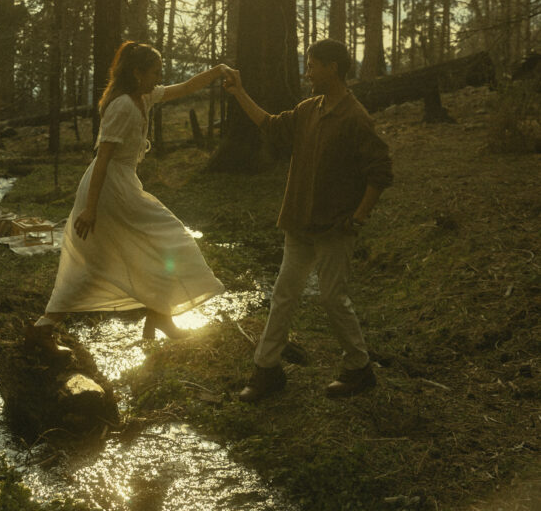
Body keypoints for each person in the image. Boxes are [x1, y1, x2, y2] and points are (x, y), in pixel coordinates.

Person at [224, 39, 393, 401]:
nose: (308, 73)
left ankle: (359, 368)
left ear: (333, 68)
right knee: (283, 294)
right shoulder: (308, 109)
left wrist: (359, 217)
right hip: (299, 222)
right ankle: (267, 369)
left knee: (332, 298)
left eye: (313, 66)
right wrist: (239, 92)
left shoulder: (355, 117)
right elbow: (270, 124)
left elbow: (380, 171)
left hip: (335, 227)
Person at [31, 41, 227, 344]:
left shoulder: (144, 97)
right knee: (121, 254)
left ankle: (159, 317)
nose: (158, 78)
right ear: (137, 73)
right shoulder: (122, 105)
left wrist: (218, 70)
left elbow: (187, 87)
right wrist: (90, 209)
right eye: (154, 72)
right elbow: (103, 159)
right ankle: (43, 327)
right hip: (109, 190)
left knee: (152, 247)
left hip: (123, 185)